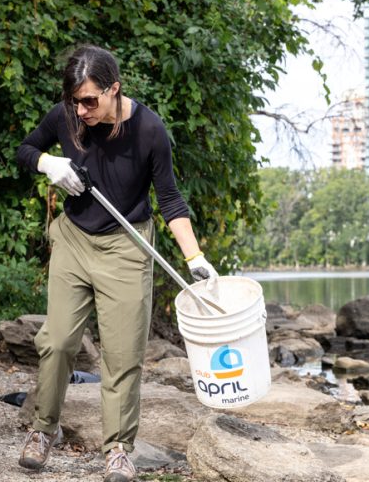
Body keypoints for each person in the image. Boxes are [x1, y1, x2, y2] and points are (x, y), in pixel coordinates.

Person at [15, 45, 217, 482]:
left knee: (123, 356)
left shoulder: (149, 130)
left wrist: (195, 257)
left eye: (90, 100)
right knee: (58, 342)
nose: (82, 109)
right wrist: (48, 162)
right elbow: (25, 149)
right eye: (75, 100)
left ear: (114, 90)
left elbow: (170, 199)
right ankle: (41, 430)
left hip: (127, 247)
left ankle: (119, 451)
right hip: (73, 241)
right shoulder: (65, 116)